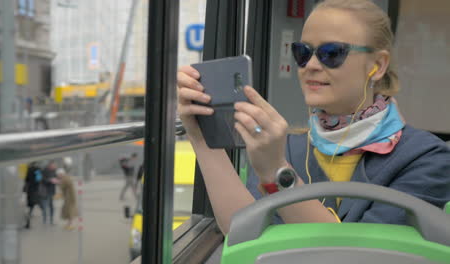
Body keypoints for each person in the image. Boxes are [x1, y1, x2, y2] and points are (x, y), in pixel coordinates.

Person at [177, 0, 450, 234]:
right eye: (303, 53)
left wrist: (277, 173)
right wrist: (200, 136)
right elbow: (243, 231)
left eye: (332, 53)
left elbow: (358, 256)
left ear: (377, 66)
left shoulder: (427, 158)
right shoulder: (287, 147)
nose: (311, 66)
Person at [23, 162, 43, 229]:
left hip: (30, 191)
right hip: (35, 190)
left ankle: (27, 222)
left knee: (30, 207)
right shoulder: (37, 170)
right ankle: (46, 217)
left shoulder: (28, 169)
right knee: (41, 204)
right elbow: (39, 179)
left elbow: (26, 180)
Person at [40, 160, 58, 225]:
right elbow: (42, 180)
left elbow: (56, 178)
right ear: (50, 165)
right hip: (45, 192)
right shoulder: (44, 171)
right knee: (45, 207)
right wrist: (50, 180)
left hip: (51, 191)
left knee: (51, 207)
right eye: (54, 165)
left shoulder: (54, 171)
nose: (55, 166)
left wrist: (56, 181)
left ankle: (51, 220)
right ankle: (45, 220)